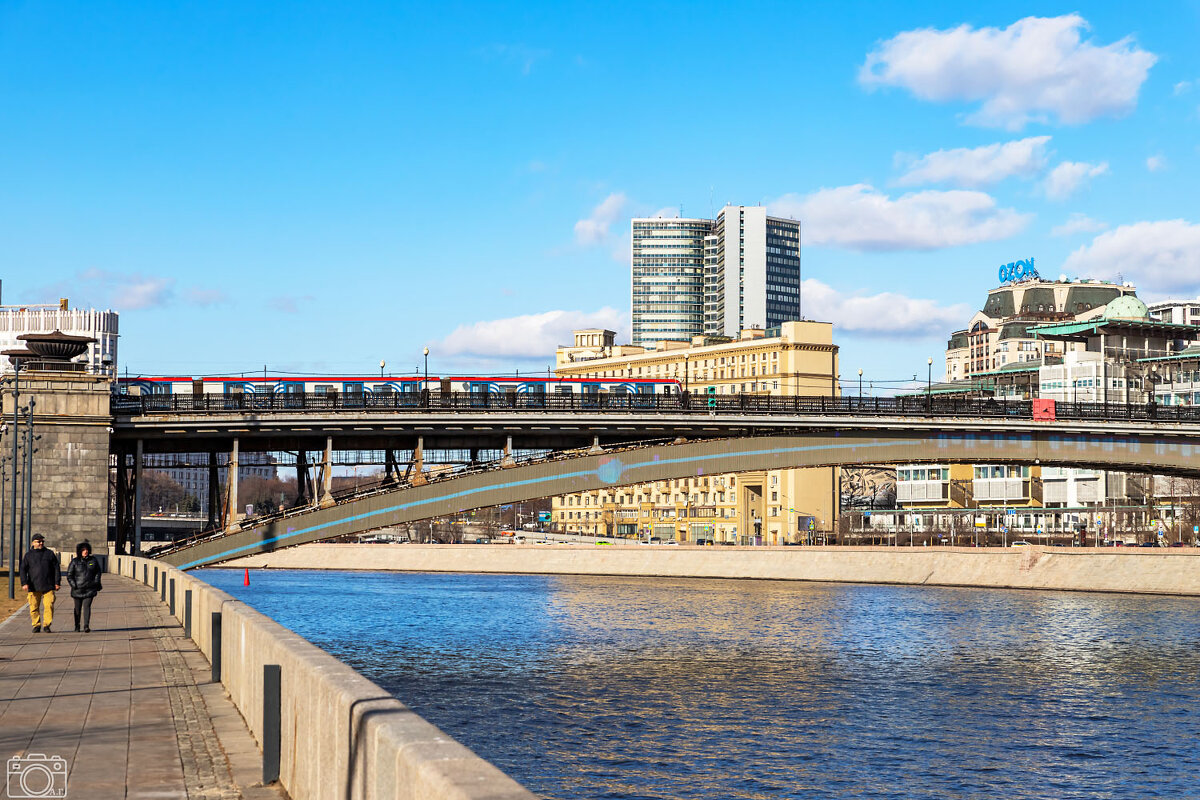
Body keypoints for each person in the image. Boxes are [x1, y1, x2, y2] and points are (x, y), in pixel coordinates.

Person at [19, 533, 61, 633]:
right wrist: (24, 583)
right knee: (33, 607)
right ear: (33, 543)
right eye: (38, 542)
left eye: (42, 541)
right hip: (33, 585)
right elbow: (23, 570)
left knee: (49, 606)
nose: (41, 543)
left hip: (48, 585)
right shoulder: (28, 555)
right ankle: (36, 625)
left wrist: (57, 582)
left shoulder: (49, 554)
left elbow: (56, 569)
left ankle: (47, 625)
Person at [66, 540, 103, 633]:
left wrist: (96, 582)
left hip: (89, 589)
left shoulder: (93, 560)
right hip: (77, 589)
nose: (85, 551)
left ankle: (86, 625)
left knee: (87, 607)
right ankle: (77, 625)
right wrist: (74, 585)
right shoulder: (75, 561)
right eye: (83, 550)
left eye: (86, 549)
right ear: (79, 551)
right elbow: (69, 575)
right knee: (77, 608)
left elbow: (98, 572)